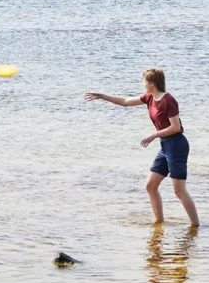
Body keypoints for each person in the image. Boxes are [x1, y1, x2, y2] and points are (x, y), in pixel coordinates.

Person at [84, 67, 198, 227]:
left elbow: (176, 127)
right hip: (165, 146)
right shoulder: (149, 98)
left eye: (145, 81)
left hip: (177, 145)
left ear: (152, 83)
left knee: (178, 191)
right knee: (151, 186)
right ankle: (159, 222)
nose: (143, 84)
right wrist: (102, 96)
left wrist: (154, 135)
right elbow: (124, 102)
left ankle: (195, 226)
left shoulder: (168, 100)